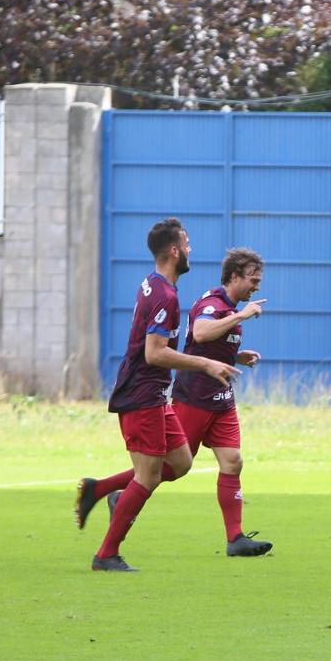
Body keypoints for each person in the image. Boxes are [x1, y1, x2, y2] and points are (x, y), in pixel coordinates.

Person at [74, 217, 238, 572]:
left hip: (156, 395)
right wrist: (205, 365)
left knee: (180, 462)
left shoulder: (154, 284)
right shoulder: (165, 295)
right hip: (142, 395)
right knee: (147, 476)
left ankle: (102, 490)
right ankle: (106, 555)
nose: (192, 250)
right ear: (174, 250)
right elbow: (154, 353)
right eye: (188, 244)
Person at [170, 248, 272, 557]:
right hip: (195, 398)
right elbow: (200, 333)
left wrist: (236, 355)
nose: (256, 286)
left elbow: (212, 344)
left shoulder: (227, 306)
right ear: (235, 276)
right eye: (252, 280)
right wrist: (242, 315)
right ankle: (116, 493)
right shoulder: (213, 304)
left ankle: (235, 538)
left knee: (233, 461)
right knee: (169, 468)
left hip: (221, 400)